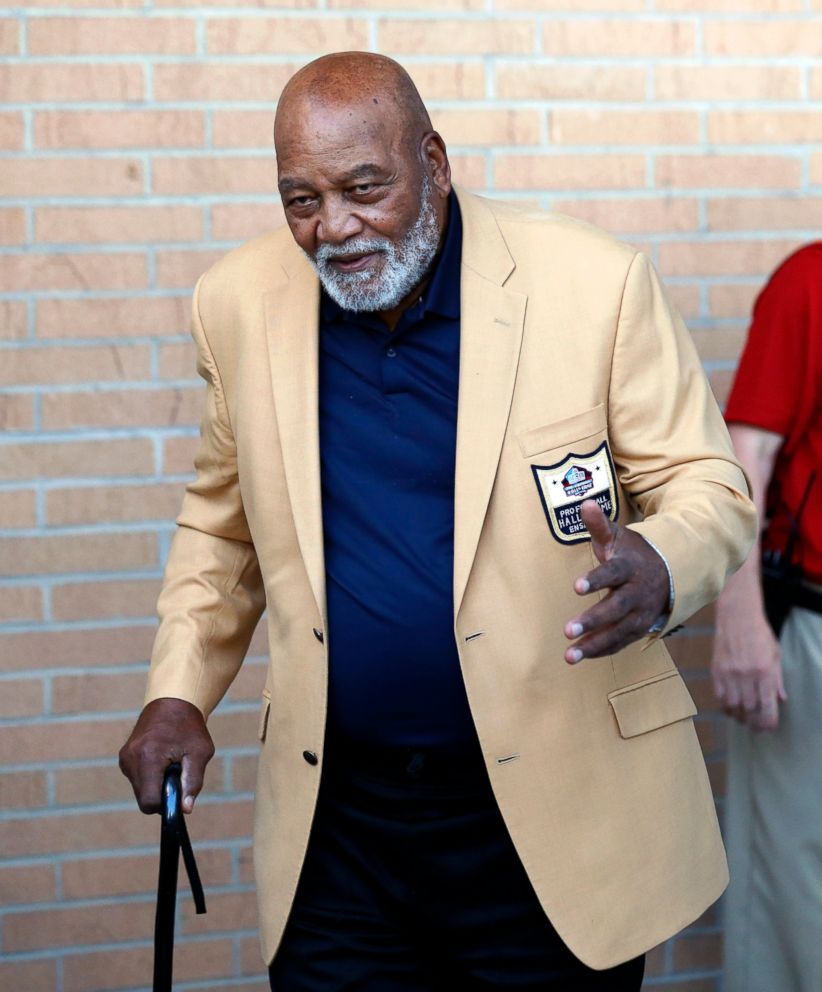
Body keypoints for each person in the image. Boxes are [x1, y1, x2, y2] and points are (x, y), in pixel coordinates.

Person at [120, 52, 756, 991]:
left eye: (363, 187)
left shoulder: (594, 284)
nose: (333, 228)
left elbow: (709, 481)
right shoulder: (237, 305)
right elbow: (223, 528)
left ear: (435, 161)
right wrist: (177, 691)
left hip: (554, 829)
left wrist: (663, 560)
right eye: (301, 199)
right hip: (342, 836)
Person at [711, 243, 822, 992]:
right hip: (812, 634)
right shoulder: (808, 282)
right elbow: (743, 461)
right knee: (794, 894)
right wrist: (741, 620)